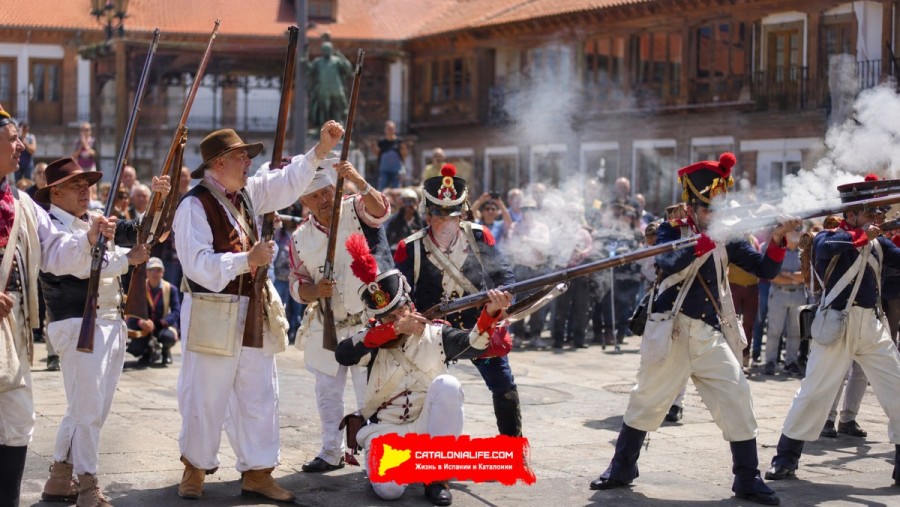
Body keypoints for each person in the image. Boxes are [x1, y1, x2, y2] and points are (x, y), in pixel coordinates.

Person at [590, 153, 799, 506]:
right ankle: (622, 468)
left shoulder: (728, 235)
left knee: (737, 396)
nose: (714, 216)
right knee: (646, 400)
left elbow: (762, 269)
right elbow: (668, 262)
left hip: (708, 333)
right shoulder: (672, 229)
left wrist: (778, 239)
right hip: (671, 330)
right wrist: (703, 243)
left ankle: (747, 478)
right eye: (707, 210)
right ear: (692, 206)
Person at [172, 122, 343, 502]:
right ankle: (195, 468)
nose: (248, 161)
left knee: (259, 392)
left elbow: (286, 183)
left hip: (252, 306)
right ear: (219, 163)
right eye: (240, 156)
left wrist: (319, 150)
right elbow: (197, 264)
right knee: (205, 393)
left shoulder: (246, 193)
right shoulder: (192, 205)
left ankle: (258, 470)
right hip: (211, 308)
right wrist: (245, 260)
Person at [336, 235, 513, 506]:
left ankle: (436, 475)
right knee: (390, 491)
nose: (398, 319)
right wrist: (394, 329)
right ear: (378, 320)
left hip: (426, 427)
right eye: (389, 317)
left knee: (448, 385)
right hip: (386, 430)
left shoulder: (436, 332)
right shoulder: (371, 338)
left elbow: (474, 345)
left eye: (401, 312)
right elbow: (344, 353)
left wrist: (490, 312)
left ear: (410, 305)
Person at [0, 105, 113, 507]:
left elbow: (54, 252)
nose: (21, 145)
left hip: (10, 325)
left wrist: (87, 240)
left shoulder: (24, 204)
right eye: (13, 138)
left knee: (17, 421)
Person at [36, 157, 163, 507]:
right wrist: (127, 259)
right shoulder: (49, 225)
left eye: (86, 184)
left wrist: (157, 200)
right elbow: (78, 264)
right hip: (77, 323)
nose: (84, 190)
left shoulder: (91, 220)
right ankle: (89, 485)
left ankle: (60, 477)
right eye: (76, 185)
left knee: (87, 408)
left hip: (107, 321)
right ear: (54, 191)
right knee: (88, 410)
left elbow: (136, 231)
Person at [766, 177, 900, 488]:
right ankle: (785, 459)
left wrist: (874, 235)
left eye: (880, 215)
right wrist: (861, 236)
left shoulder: (880, 242)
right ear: (852, 214)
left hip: (871, 324)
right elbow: (829, 249)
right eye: (872, 213)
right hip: (837, 324)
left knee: (897, 388)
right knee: (814, 393)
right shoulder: (828, 236)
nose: (878, 219)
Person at [395, 164, 523, 438]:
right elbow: (401, 294)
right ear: (427, 215)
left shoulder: (478, 236)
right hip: (433, 333)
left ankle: (511, 448)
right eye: (439, 217)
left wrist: (505, 295)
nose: (447, 223)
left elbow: (503, 271)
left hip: (477, 324)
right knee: (421, 389)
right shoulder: (411, 247)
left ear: (462, 214)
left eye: (453, 217)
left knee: (503, 384)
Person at [289, 154, 391, 473]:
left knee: (370, 393)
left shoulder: (355, 206)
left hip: (366, 320)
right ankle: (330, 451)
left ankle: (377, 453)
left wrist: (358, 181)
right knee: (326, 394)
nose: (322, 200)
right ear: (303, 200)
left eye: (325, 192)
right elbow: (296, 283)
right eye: (313, 195)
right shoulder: (298, 238)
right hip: (327, 323)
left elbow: (380, 210)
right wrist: (314, 292)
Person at [762, 231, 805, 376]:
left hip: (798, 295)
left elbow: (806, 276)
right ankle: (770, 362)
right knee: (774, 330)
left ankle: (790, 362)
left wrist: (787, 275)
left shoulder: (804, 252)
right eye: (794, 230)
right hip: (778, 293)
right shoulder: (779, 250)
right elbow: (774, 276)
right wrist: (795, 278)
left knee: (795, 332)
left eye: (798, 230)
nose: (796, 233)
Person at [125, 257, 180, 366]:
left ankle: (165, 351)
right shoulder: (139, 288)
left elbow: (176, 311)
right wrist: (141, 322)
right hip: (144, 325)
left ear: (163, 273)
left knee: (168, 337)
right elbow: (131, 310)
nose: (155, 273)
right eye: (151, 270)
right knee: (135, 347)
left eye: (158, 270)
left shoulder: (171, 288)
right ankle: (147, 352)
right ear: (146, 272)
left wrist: (162, 322)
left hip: (161, 325)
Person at [307, 38, 352, 129]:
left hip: (336, 89)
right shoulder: (318, 62)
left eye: (328, 49)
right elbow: (309, 71)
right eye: (325, 50)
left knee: (339, 109)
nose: (326, 51)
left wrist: (342, 56)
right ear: (322, 51)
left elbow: (348, 69)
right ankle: (322, 129)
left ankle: (338, 128)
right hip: (323, 90)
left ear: (331, 50)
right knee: (324, 111)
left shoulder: (337, 60)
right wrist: (305, 57)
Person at [384, 187, 423, 252]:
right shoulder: (393, 221)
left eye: (412, 201)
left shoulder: (421, 221)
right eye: (406, 201)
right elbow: (388, 240)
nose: (409, 205)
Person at [373, 120, 407, 190]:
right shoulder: (381, 142)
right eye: (388, 129)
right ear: (385, 130)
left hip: (396, 171)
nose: (390, 131)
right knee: (381, 188)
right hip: (384, 170)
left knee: (396, 189)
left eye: (392, 129)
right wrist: (374, 148)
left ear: (395, 130)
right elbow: (378, 155)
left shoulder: (399, 141)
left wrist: (404, 150)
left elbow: (404, 155)